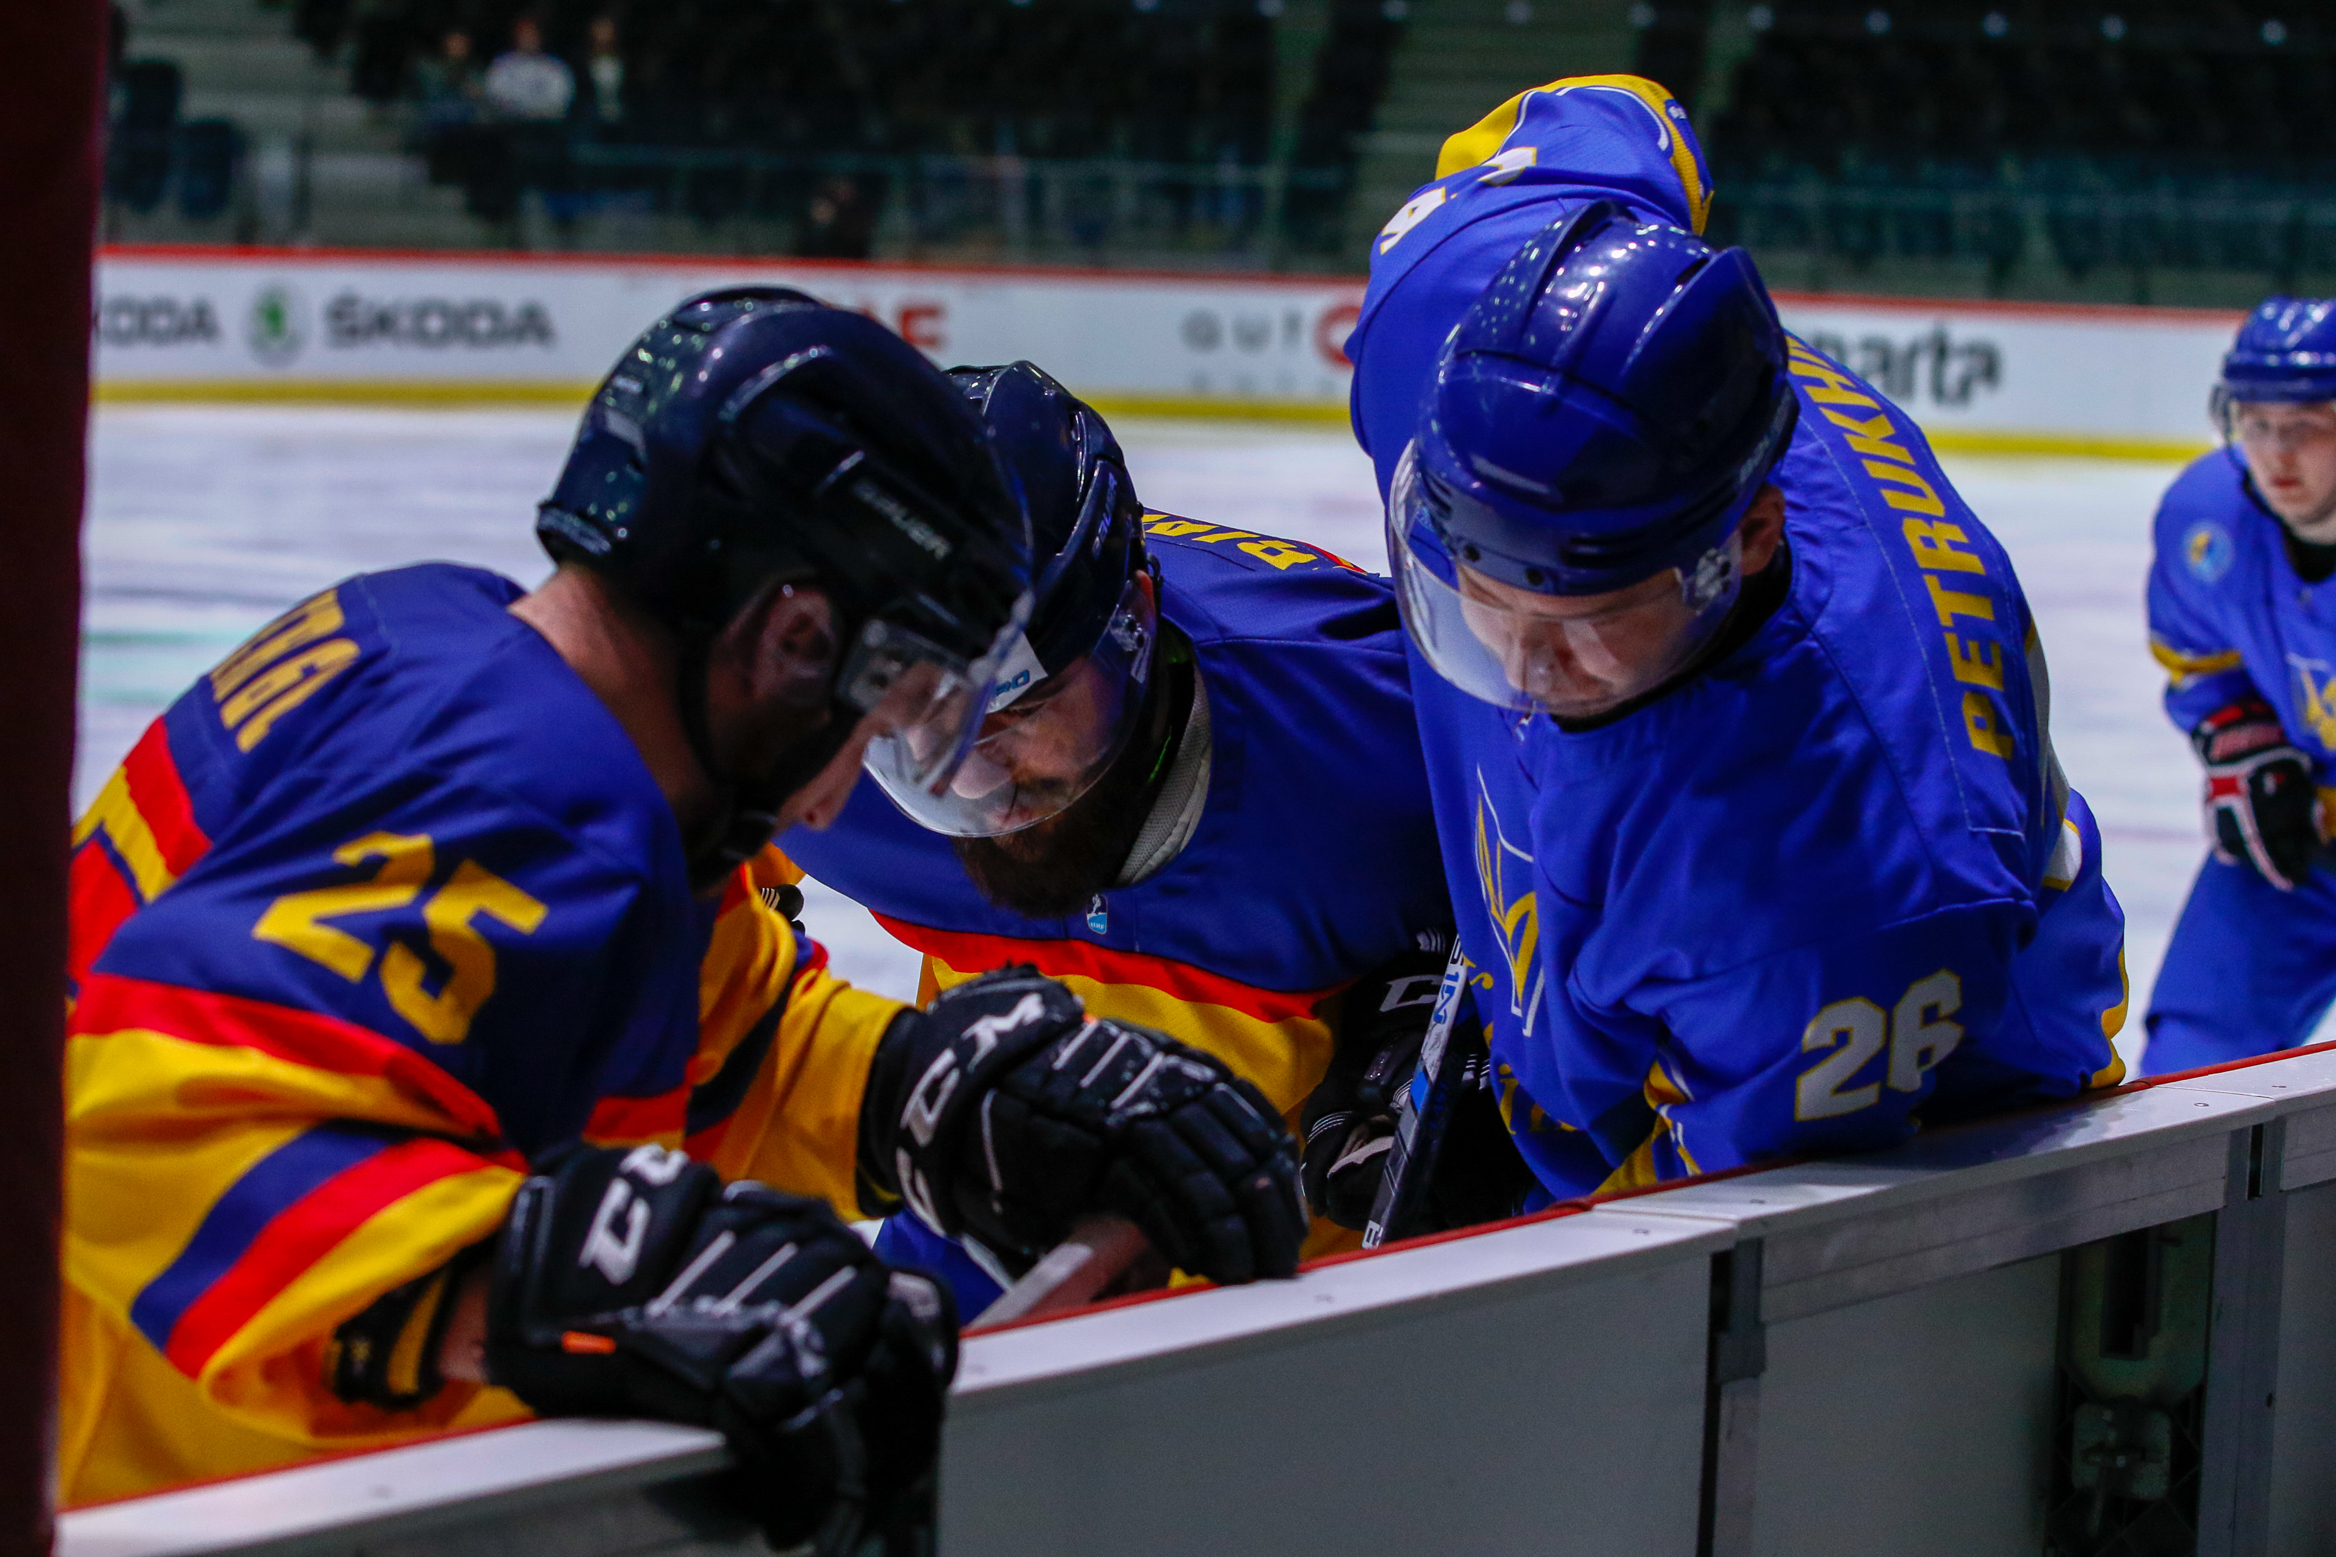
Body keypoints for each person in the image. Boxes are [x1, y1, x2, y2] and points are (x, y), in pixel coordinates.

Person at [61, 290, 1306, 1543]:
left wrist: (920, 1090)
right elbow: (132, 1130)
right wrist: (586, 1272)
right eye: (892, 715)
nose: (835, 798)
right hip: (154, 1489)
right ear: (794, 637)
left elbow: (696, 1034)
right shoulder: (533, 795)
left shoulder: (450, 643)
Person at [1343, 76, 2130, 1200]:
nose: (1518, 668)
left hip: (1917, 1118)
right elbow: (1606, 107)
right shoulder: (1448, 296)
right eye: (1473, 590)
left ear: (1749, 537)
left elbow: (1706, 1252)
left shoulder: (1832, 895)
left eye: (1586, 617)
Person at [780, 361, 1470, 1310]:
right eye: (918, 727)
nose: (976, 786)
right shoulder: (808, 739)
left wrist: (1455, 997)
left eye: (1018, 710)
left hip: (1297, 1312)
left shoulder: (1384, 733)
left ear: (1137, 622)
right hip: (985, 1244)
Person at [2141, 299, 2336, 1072]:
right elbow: (2202, 662)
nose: (2276, 455)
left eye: (2307, 426)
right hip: (2306, 836)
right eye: (2256, 423)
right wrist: (2241, 741)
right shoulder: (2207, 520)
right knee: (2190, 1065)